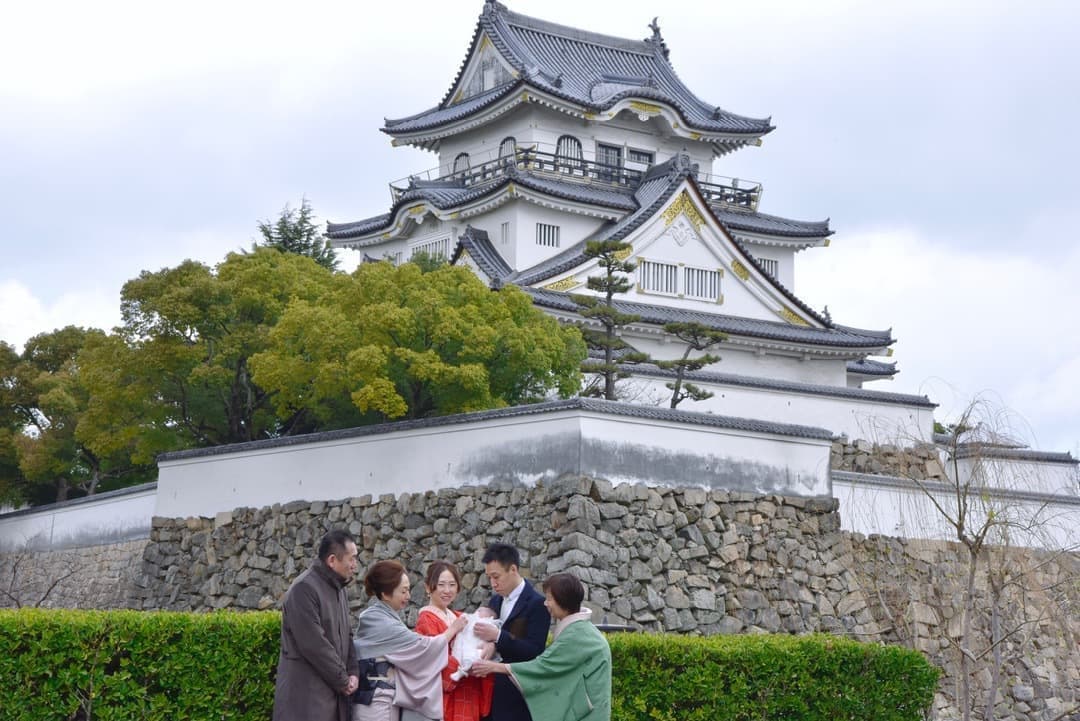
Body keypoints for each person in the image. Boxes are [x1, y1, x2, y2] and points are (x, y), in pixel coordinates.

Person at [472, 573, 612, 721]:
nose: (545, 603)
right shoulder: (581, 630)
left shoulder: (577, 635)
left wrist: (494, 667)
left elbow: (543, 667)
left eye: (549, 599)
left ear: (562, 600)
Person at [353, 559, 467, 721]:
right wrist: (453, 630)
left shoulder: (383, 616)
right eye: (404, 591)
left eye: (452, 584)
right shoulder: (380, 620)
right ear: (385, 594)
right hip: (376, 699)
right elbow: (422, 647)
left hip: (384, 697)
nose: (409, 596)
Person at [273, 529, 361, 721]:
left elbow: (347, 635)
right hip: (307, 700)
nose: (355, 565)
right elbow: (314, 645)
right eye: (352, 559)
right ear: (332, 560)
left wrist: (353, 671)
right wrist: (343, 680)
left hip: (331, 694)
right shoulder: (303, 589)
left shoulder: (339, 588)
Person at [471, 543, 551, 721]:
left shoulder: (537, 603)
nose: (493, 583)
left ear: (513, 569)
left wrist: (498, 637)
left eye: (496, 576)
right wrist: (489, 643)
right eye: (489, 577)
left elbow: (535, 651)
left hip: (517, 696)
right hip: (487, 692)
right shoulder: (495, 601)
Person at [414, 560, 495, 721]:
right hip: (447, 696)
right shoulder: (425, 620)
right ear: (428, 587)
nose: (447, 590)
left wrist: (488, 646)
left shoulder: (460, 617)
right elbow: (432, 660)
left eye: (452, 585)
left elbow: (482, 639)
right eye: (441, 585)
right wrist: (465, 664)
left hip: (469, 692)